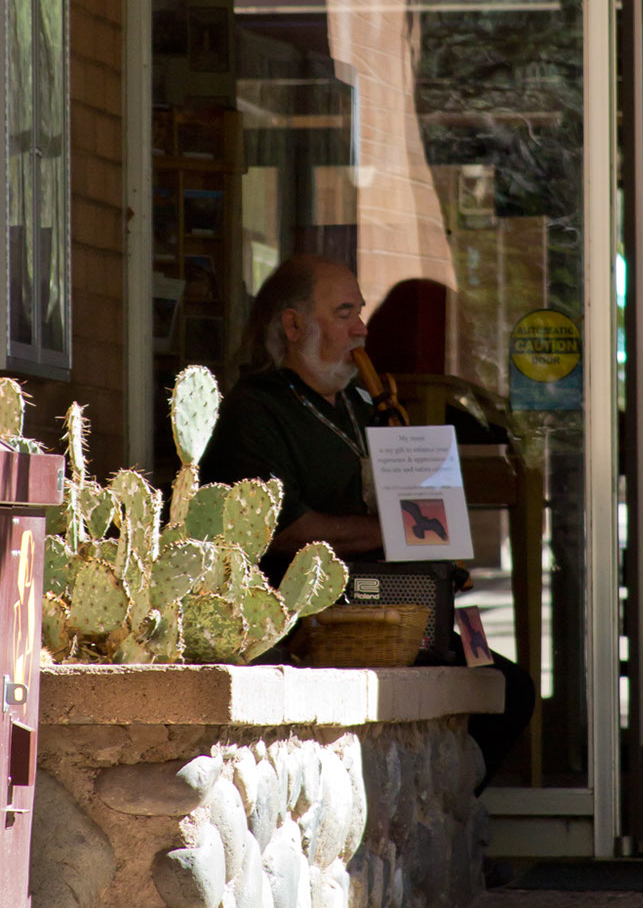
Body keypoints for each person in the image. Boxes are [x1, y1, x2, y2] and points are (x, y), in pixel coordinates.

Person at [201, 254, 534, 794]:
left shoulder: (359, 405)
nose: (362, 327)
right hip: (316, 623)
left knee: (507, 689)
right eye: (344, 312)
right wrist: (399, 528)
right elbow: (282, 530)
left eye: (360, 311)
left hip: (391, 609)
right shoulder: (256, 410)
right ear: (293, 326)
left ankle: (455, 818)